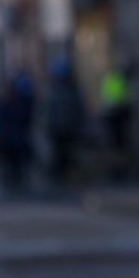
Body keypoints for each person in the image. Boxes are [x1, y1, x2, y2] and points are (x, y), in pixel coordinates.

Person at [46, 59, 87, 188]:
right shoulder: (56, 91)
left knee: (68, 155)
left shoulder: (70, 92)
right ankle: (60, 179)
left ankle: (67, 179)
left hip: (67, 129)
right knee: (59, 156)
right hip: (58, 129)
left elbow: (78, 111)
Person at [0, 72, 35, 195]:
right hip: (13, 136)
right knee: (13, 161)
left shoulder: (16, 103)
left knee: (16, 160)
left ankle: (16, 179)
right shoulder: (12, 103)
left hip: (15, 136)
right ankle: (15, 179)